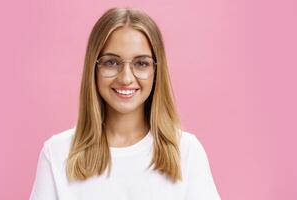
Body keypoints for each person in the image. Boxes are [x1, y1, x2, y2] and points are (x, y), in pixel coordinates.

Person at [29, 7, 220, 200]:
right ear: (93, 69)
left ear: (156, 71)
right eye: (111, 62)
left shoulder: (187, 152)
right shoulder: (56, 154)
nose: (126, 78)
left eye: (141, 63)